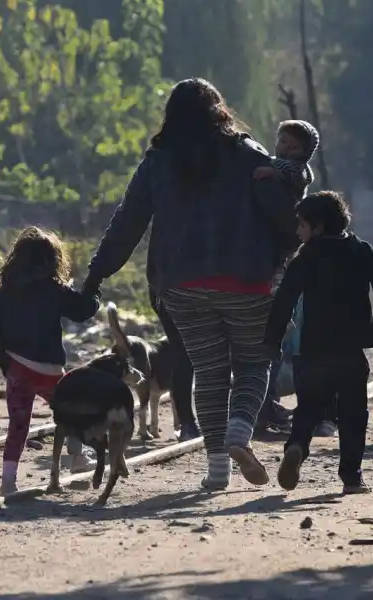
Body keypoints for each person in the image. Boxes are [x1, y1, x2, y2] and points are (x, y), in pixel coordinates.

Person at [82, 78, 298, 490]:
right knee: (254, 362)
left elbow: (127, 224)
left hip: (179, 284)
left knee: (209, 371)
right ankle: (239, 430)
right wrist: (284, 259)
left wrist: (95, 277)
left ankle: (217, 469)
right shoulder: (248, 154)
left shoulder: (158, 161)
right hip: (246, 281)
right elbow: (283, 214)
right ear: (220, 110)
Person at [265, 191, 373, 495]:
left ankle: (297, 448)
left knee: (308, 408)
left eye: (302, 226)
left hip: (312, 350)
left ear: (317, 228)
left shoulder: (306, 257)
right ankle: (352, 477)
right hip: (351, 352)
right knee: (354, 414)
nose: (298, 232)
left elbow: (284, 300)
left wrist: (272, 339)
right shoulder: (361, 251)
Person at [0, 227, 101, 494]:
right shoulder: (54, 290)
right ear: (52, 261)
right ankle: (77, 458)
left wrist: (3, 361)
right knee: (75, 410)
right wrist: (92, 288)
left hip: (18, 368)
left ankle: (8, 482)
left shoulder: (2, 293)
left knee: (18, 426)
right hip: (49, 372)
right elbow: (82, 310)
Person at [254, 119, 320, 435]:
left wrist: (274, 171)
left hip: (280, 256)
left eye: (294, 147)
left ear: (305, 153)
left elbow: (294, 174)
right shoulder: (267, 160)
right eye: (282, 142)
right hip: (271, 255)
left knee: (274, 333)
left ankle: (266, 403)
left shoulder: (297, 172)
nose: (285, 149)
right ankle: (264, 402)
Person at [148, 284, 201, 441]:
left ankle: (187, 425)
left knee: (183, 356)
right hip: (200, 289)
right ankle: (193, 424)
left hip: (165, 289)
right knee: (192, 357)